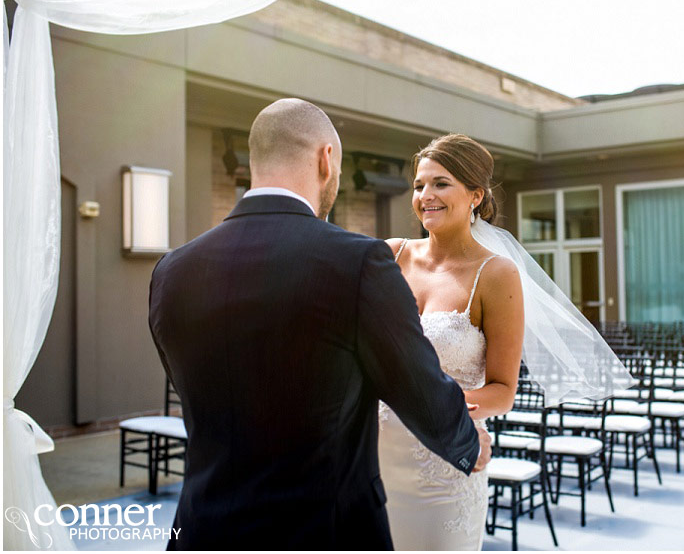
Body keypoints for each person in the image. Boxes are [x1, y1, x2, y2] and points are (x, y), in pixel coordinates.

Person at [148, 100, 491, 550]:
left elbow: (192, 387)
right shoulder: (359, 261)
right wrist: (467, 442)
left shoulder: (171, 271)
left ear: (256, 160)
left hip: (204, 530)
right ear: (326, 159)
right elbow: (415, 380)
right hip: (324, 531)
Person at [379, 134, 524, 550]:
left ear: (475, 195)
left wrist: (444, 408)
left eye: (441, 183)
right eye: (419, 185)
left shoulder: (496, 275)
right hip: (374, 463)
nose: (426, 195)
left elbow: (503, 391)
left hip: (443, 470)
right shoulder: (389, 256)